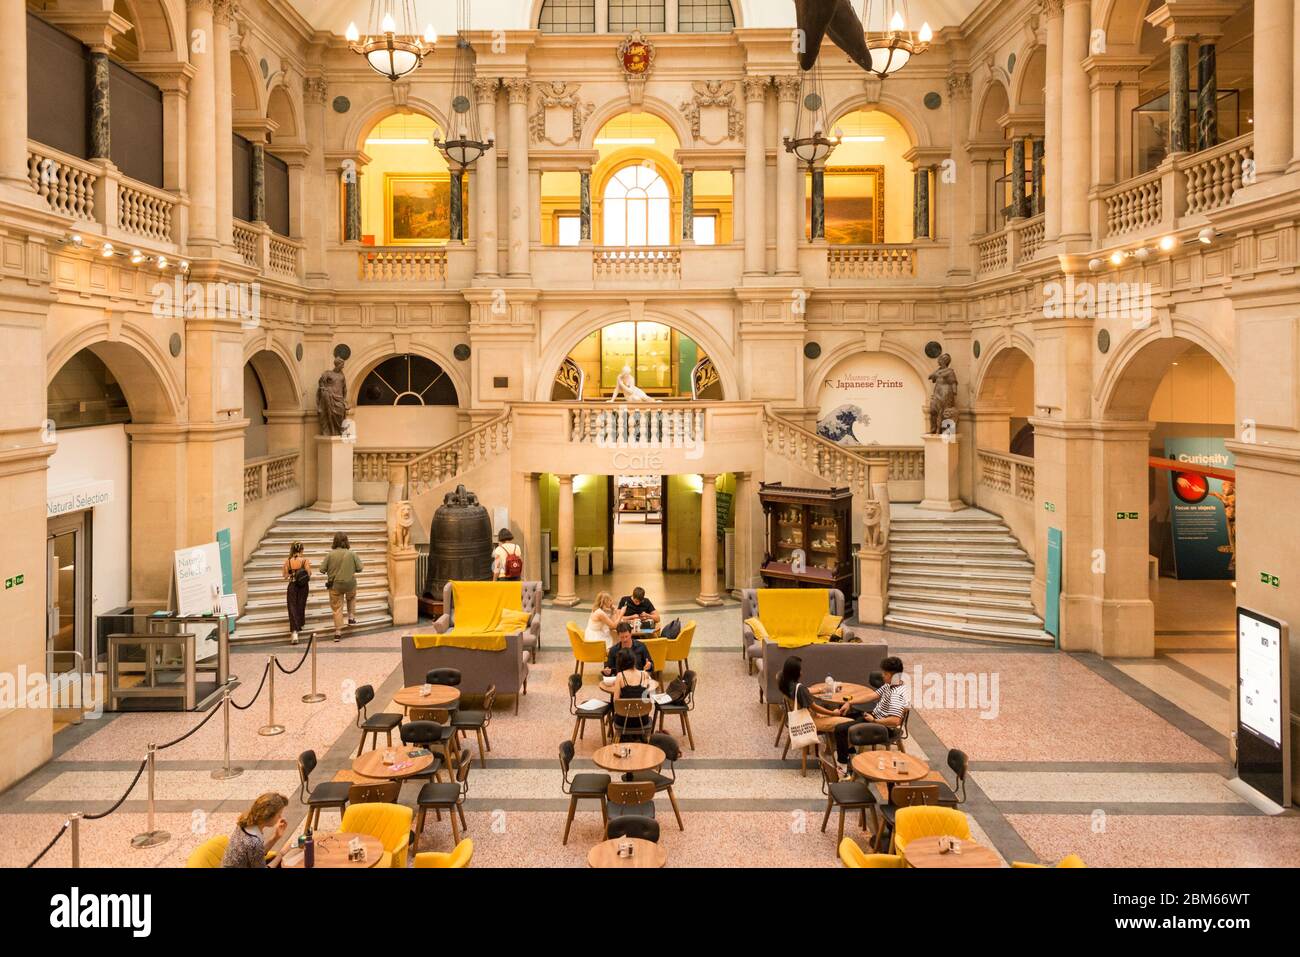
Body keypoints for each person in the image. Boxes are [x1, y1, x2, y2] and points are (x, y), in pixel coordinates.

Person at [776, 655, 855, 767]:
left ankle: (831, 749)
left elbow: (804, 692)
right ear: (795, 672)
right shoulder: (799, 688)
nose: (802, 672)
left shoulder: (784, 683)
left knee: (832, 716)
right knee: (848, 722)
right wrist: (833, 713)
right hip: (812, 721)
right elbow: (814, 707)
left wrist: (819, 690)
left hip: (802, 718)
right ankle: (845, 758)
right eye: (800, 670)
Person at [221, 792, 289, 868]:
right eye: (279, 814)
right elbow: (255, 849)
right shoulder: (254, 842)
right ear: (269, 816)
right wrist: (281, 854)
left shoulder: (245, 822)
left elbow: (257, 854)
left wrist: (276, 837)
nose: (281, 817)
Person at [847, 656, 910, 729]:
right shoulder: (891, 684)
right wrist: (849, 702)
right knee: (848, 718)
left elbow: (895, 721)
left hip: (881, 728)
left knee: (841, 729)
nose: (882, 675)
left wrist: (874, 721)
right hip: (874, 717)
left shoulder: (896, 695)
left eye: (885, 674)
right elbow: (872, 696)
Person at [320, 531, 362, 642]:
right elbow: (360, 568)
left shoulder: (330, 555)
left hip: (335, 585)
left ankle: (338, 632)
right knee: (351, 597)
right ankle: (351, 617)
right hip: (350, 584)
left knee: (337, 607)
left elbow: (322, 570)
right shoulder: (352, 554)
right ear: (346, 541)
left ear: (335, 542)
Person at [610, 648, 654, 740]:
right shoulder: (644, 675)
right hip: (642, 719)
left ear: (620, 663)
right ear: (634, 660)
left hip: (623, 720)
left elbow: (616, 702)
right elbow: (647, 699)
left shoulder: (620, 676)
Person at [282, 542, 311, 645]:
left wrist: (292, 573)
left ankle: (294, 632)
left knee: (292, 607)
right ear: (301, 550)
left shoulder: (288, 562)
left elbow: (285, 576)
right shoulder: (304, 561)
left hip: (292, 585)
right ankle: (300, 624)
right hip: (303, 586)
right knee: (301, 605)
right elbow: (309, 573)